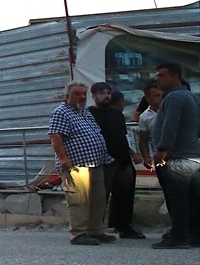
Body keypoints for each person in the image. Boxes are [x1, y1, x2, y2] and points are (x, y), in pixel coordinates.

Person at [48, 83, 114, 246]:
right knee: (79, 200)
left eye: (84, 94)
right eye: (77, 94)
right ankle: (78, 233)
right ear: (67, 96)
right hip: (76, 165)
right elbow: (56, 137)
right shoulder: (61, 112)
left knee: (98, 199)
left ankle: (95, 231)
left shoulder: (84, 112)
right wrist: (63, 159)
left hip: (96, 163)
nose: (82, 97)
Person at [149, 62, 200, 250]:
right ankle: (195, 233)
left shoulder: (174, 98)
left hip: (176, 156)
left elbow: (170, 126)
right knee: (193, 197)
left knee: (177, 198)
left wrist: (162, 150)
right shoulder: (192, 97)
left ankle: (178, 236)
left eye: (161, 75)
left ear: (175, 76)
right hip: (192, 155)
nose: (157, 79)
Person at [88, 84, 143, 239]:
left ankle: (123, 226)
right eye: (102, 93)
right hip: (103, 161)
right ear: (94, 95)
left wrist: (132, 154)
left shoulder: (116, 114)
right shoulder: (88, 115)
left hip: (123, 160)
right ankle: (95, 229)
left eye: (108, 93)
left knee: (125, 195)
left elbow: (121, 137)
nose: (106, 96)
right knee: (99, 197)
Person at [137, 83, 164, 168]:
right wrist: (146, 157)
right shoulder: (144, 117)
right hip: (159, 157)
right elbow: (143, 140)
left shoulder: (170, 110)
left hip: (178, 154)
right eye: (156, 95)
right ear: (147, 98)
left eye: (161, 95)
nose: (161, 97)